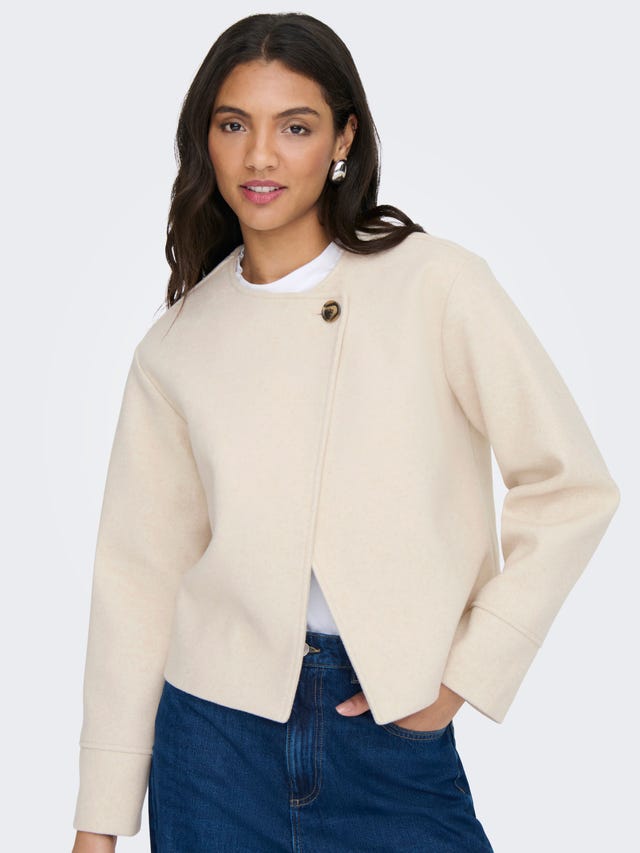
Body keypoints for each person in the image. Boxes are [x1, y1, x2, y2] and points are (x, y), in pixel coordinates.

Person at [71, 11, 620, 853]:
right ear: (205, 141)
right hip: (211, 742)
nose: (260, 156)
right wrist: (100, 818)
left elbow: (571, 486)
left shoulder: (435, 283)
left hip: (391, 728)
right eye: (233, 125)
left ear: (344, 139)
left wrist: (466, 672)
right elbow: (137, 580)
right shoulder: (177, 344)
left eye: (295, 127)